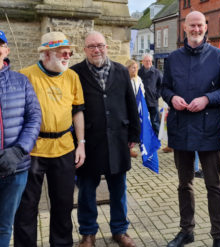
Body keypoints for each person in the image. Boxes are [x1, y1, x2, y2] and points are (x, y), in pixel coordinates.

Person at [161, 11, 220, 247]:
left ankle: (218, 236)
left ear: (206, 27)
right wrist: (171, 98)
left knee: (213, 185)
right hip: (181, 128)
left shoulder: (219, 57)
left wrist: (207, 99)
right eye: (191, 25)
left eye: (199, 25)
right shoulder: (172, 59)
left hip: (208, 129)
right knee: (185, 184)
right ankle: (187, 231)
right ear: (185, 27)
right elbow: (164, 88)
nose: (195, 29)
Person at [14, 31, 86, 247]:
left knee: (63, 204)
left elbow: (78, 111)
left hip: (64, 148)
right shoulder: (26, 76)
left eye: (69, 52)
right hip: (32, 151)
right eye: (63, 52)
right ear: (46, 54)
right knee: (26, 207)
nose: (67, 56)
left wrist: (81, 143)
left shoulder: (72, 76)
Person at [71, 31, 140, 247]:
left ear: (106, 47)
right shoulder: (75, 73)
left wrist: (134, 135)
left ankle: (119, 230)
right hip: (89, 142)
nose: (96, 50)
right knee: (86, 192)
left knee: (118, 190)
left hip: (118, 139)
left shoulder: (121, 71)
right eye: (91, 46)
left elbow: (131, 104)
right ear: (85, 50)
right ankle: (88, 233)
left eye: (100, 45)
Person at [0, 30, 41, 247]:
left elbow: (34, 118)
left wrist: (18, 150)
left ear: (6, 50)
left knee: (4, 225)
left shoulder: (21, 81)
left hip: (15, 169)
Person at [138, 53, 162, 136]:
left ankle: (157, 137)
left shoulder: (157, 72)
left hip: (153, 100)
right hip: (142, 100)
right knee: (143, 120)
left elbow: (162, 85)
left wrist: (157, 95)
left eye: (149, 61)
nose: (148, 62)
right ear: (142, 62)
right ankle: (144, 138)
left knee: (155, 121)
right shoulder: (139, 72)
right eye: (146, 61)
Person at [125, 59, 145, 158]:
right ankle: (128, 149)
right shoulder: (124, 79)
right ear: (128, 68)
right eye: (133, 67)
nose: (135, 69)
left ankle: (132, 146)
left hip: (137, 108)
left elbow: (142, 92)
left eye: (136, 67)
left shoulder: (138, 80)